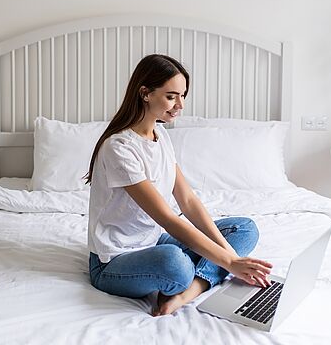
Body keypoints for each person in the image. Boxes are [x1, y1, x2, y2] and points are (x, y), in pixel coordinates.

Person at [85, 53, 273, 316]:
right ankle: (195, 276)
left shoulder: (159, 135)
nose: (180, 105)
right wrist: (229, 261)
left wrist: (232, 256)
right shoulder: (119, 147)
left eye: (183, 95)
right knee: (175, 264)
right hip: (113, 261)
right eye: (171, 96)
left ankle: (188, 292)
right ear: (145, 93)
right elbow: (166, 217)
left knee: (243, 229)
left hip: (153, 241)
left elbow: (188, 201)